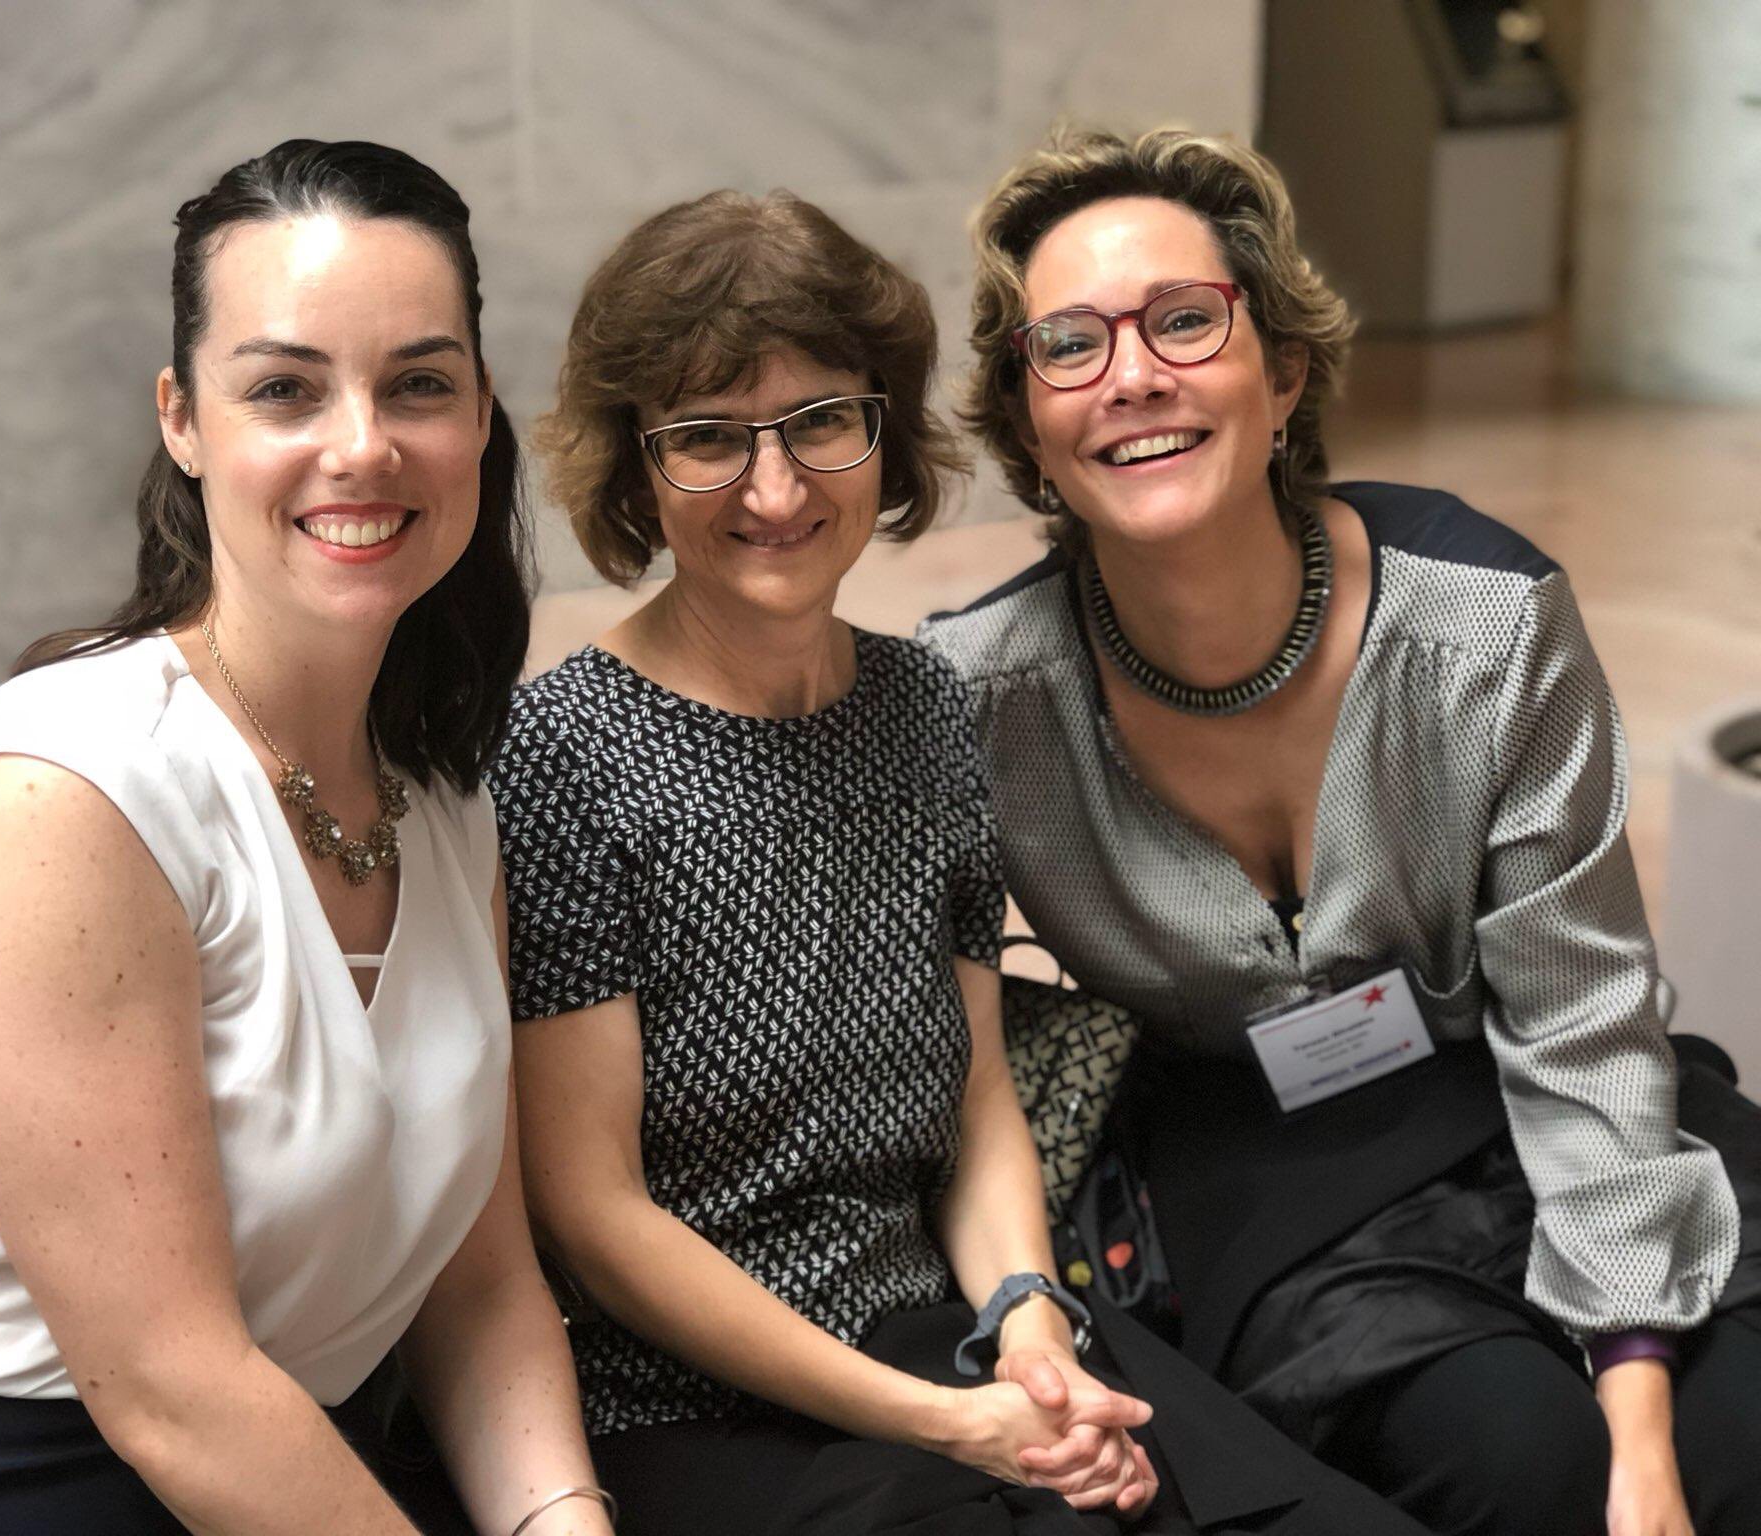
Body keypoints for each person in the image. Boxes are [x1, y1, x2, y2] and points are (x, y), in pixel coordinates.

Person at [488, 188, 1428, 1536]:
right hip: (696, 1407)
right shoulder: (562, 754)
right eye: (707, 440)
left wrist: (1029, 1322)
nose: (775, 488)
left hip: (942, 1328)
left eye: (821, 421)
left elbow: (980, 1095)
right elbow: (594, 1218)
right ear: (638, 467)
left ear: (885, 434)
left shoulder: (925, 706)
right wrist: (947, 1420)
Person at [920, 125, 1761, 1536]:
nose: (1132, 375)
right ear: (1030, 423)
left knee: (1726, 1438)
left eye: (1185, 321)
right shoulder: (978, 701)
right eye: (1068, 345)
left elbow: (1580, 1021)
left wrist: (1642, 1422)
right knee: (1508, 1460)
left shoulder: (1485, 625)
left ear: (1285, 368)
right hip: (1259, 1167)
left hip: (1525, 1084)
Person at [0, 140, 614, 1536]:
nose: (363, 444)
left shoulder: (444, 794)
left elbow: (480, 1293)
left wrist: (562, 1523)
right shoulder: (58, 792)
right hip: (18, 1497)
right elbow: (172, 1388)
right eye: (285, 388)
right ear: (183, 419)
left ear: (480, 417)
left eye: (420, 383)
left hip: (311, 1479)